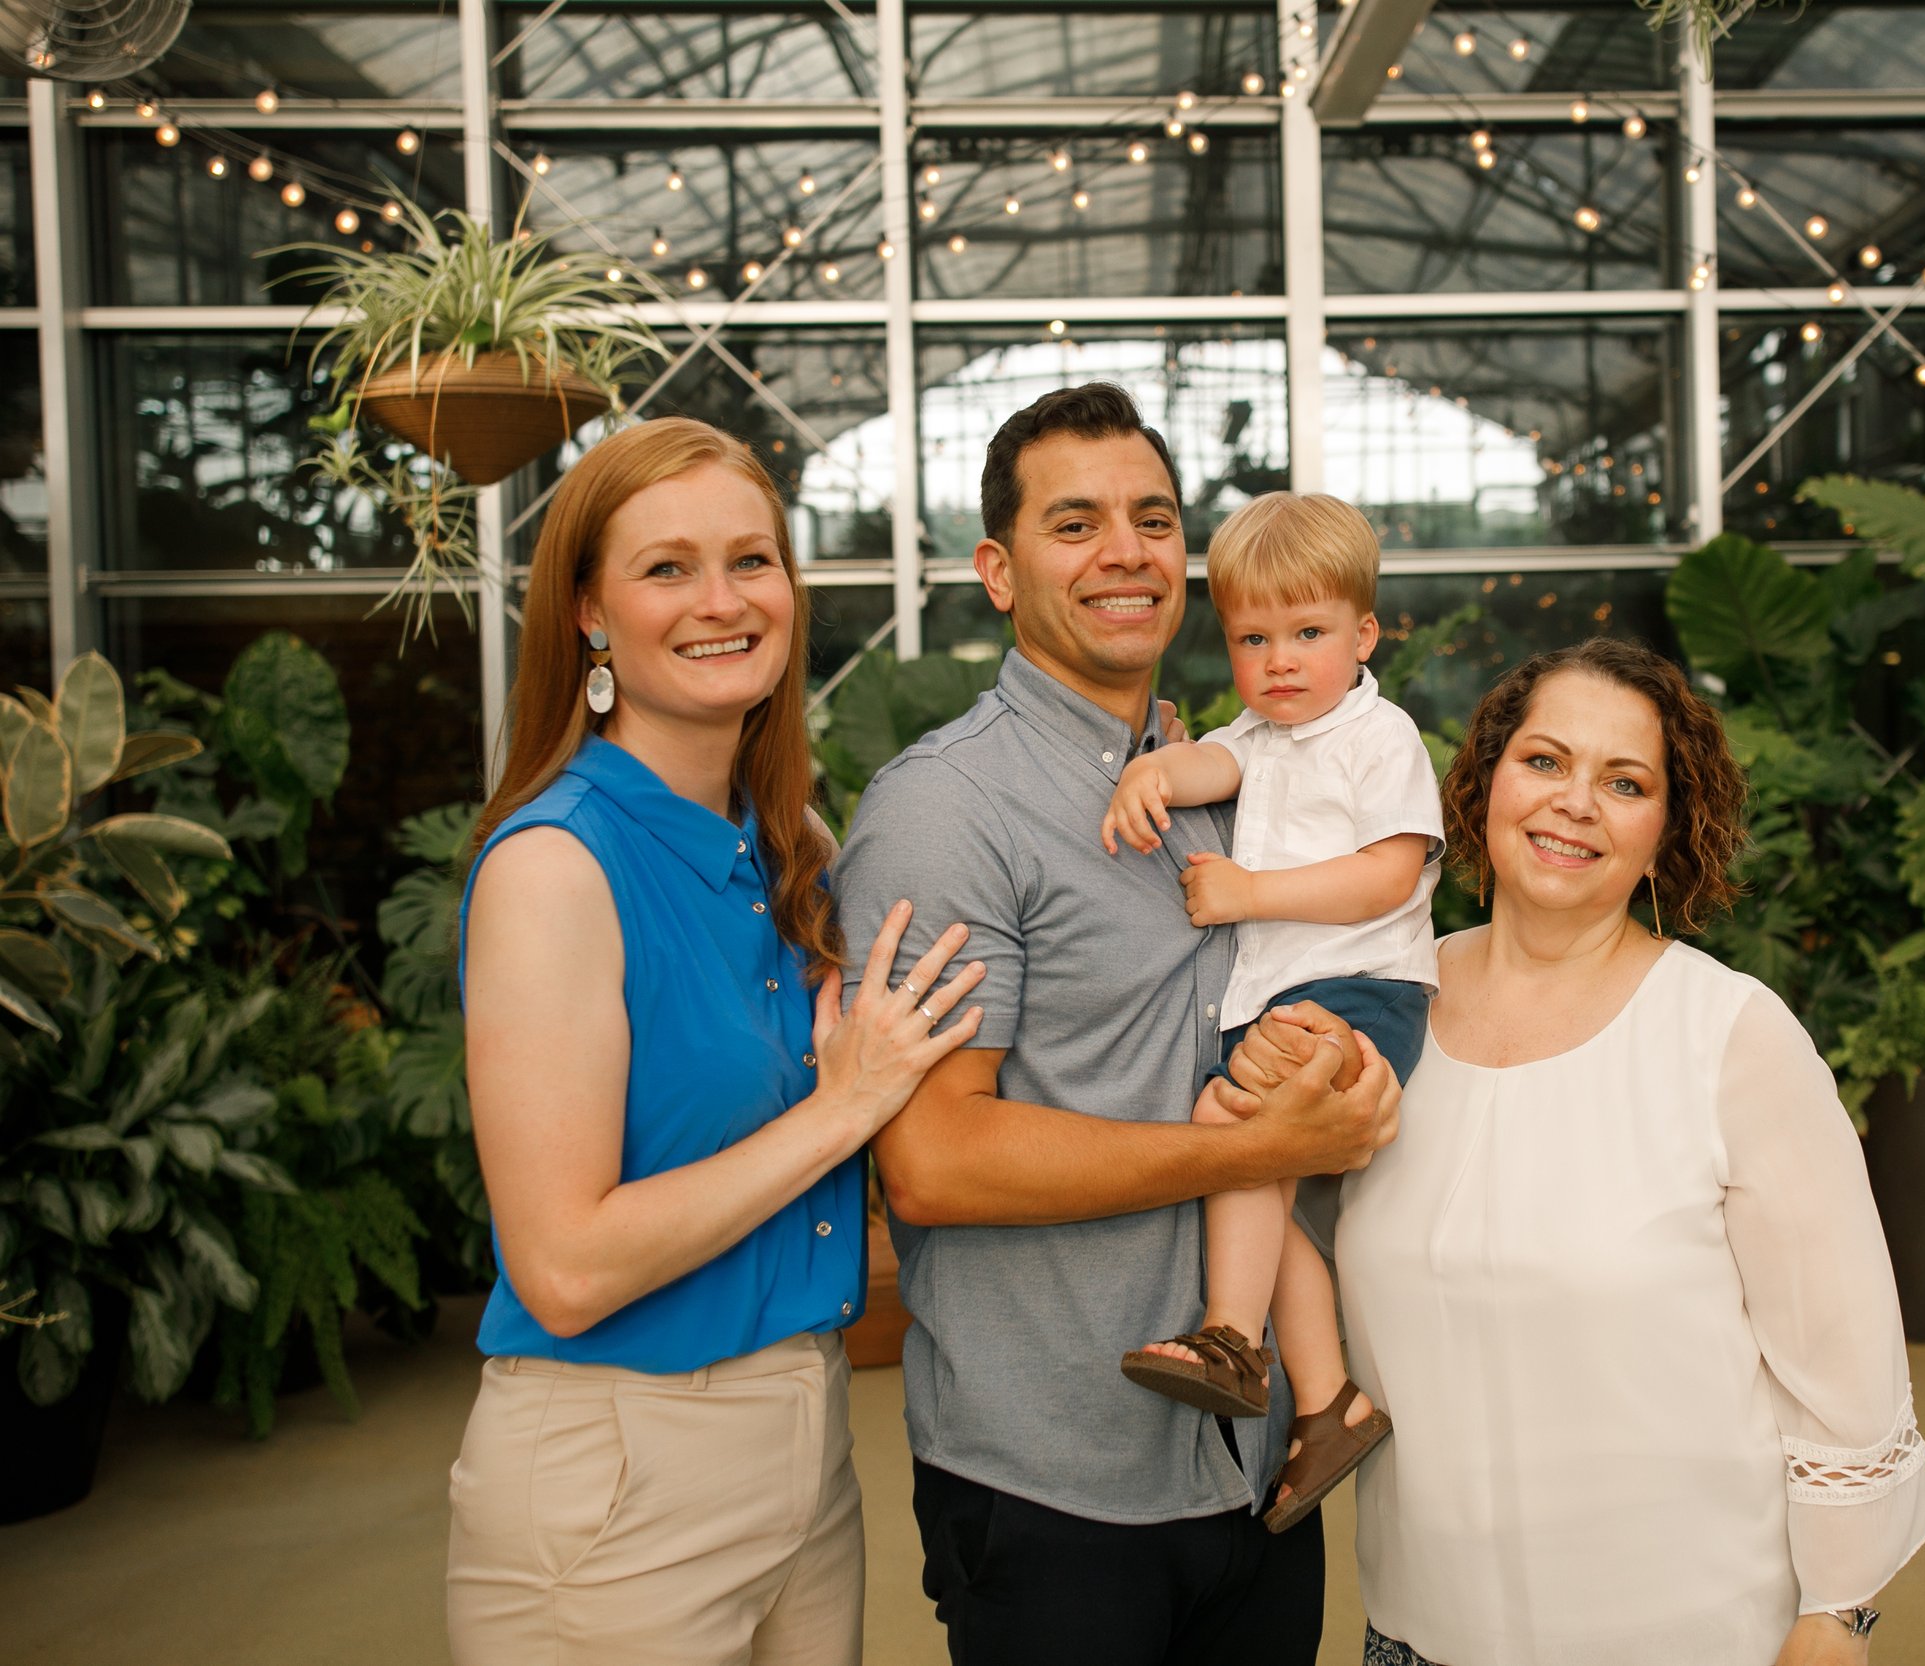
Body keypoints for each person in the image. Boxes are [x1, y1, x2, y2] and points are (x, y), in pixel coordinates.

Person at [831, 383, 1402, 1666]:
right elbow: (932, 1162)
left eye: (1151, 518)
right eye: (1074, 523)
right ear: (997, 568)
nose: (1125, 551)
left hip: (1251, 1471)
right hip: (1055, 1483)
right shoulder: (949, 810)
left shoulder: (1225, 781)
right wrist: (1250, 1149)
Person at [445, 417, 987, 1665]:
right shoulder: (555, 865)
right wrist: (840, 1108)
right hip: (617, 1472)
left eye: (752, 560)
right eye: (667, 568)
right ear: (588, 613)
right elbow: (566, 1267)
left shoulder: (783, 832)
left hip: (804, 1440)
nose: (722, 600)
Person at [1335, 638, 1925, 1666]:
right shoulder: (1385, 1009)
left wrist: (1837, 1614)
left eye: (1624, 782)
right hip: (1416, 1632)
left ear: (1666, 832)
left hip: (1683, 1633)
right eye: (1543, 761)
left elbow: (1844, 1367)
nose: (1574, 801)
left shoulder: (1729, 1036)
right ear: (1484, 785)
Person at [1103, 491, 1442, 1533]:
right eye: (1253, 638)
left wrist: (1250, 893)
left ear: (1363, 634)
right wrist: (1154, 768)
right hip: (1284, 999)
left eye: (1308, 634)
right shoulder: (1264, 731)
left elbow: (1388, 876)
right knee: (1245, 1154)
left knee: (1238, 1133)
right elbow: (1217, 758)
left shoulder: (1376, 735)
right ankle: (1327, 1393)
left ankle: (1229, 1339)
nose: (1281, 659)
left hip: (1361, 993)